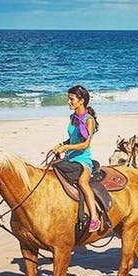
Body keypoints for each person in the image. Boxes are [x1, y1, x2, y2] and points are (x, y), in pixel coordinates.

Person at [51, 85, 101, 232]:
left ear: (81, 101)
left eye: (71, 99)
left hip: (83, 160)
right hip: (70, 158)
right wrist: (62, 144)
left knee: (83, 183)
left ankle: (94, 217)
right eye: (68, 98)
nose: (68, 102)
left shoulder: (88, 120)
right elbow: (73, 138)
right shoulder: (73, 117)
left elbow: (85, 144)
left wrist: (66, 148)